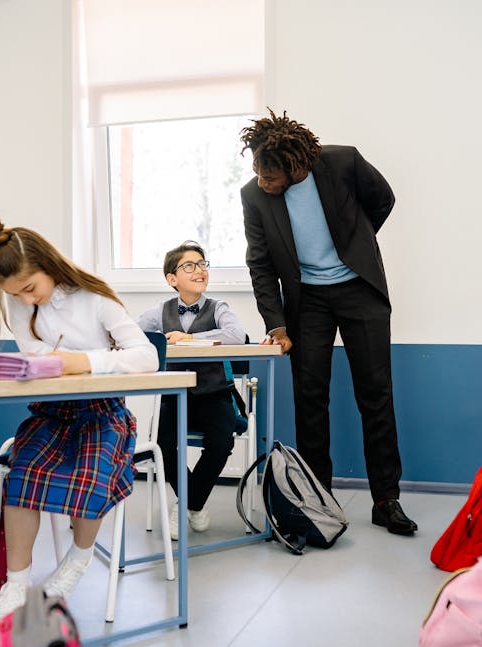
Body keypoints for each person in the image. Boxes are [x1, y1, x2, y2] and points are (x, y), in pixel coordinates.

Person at [239, 109, 417, 535]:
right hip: (308, 301)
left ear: (296, 165)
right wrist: (276, 324)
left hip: (360, 290)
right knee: (310, 397)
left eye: (272, 176)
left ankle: (385, 499)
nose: (264, 183)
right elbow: (260, 264)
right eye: (259, 173)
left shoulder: (342, 162)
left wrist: (354, 241)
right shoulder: (254, 195)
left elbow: (383, 200)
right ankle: (318, 498)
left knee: (375, 394)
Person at [0, 216, 159, 628]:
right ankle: (17, 583)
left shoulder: (95, 298)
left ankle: (77, 563)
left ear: (48, 265)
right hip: (52, 411)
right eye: (13, 294)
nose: (25, 300)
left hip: (103, 412)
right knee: (24, 472)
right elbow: (34, 351)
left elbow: (146, 357)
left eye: (30, 289)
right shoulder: (18, 301)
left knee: (91, 472)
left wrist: (83, 361)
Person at [137, 241, 247, 540]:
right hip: (175, 395)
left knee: (221, 444)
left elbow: (236, 335)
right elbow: (135, 334)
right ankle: (193, 505)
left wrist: (187, 338)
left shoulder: (218, 307)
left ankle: (186, 504)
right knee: (162, 445)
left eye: (202, 264)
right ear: (172, 279)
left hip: (214, 393)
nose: (199, 270)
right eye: (189, 266)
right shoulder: (161, 311)